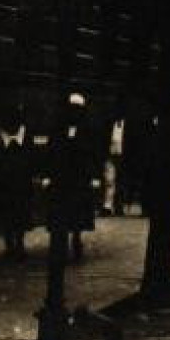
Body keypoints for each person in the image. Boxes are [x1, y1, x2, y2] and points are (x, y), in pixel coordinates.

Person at [46, 92, 100, 262]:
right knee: (61, 212)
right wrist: (48, 174)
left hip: (79, 177)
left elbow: (92, 154)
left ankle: (76, 240)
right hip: (62, 176)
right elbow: (52, 151)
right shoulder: (58, 128)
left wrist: (94, 176)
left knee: (77, 212)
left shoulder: (88, 129)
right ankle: (61, 245)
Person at [0, 106, 34, 259]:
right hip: (3, 182)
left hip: (21, 180)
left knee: (21, 211)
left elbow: (31, 158)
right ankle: (10, 243)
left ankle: (18, 242)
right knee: (5, 212)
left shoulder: (25, 135)